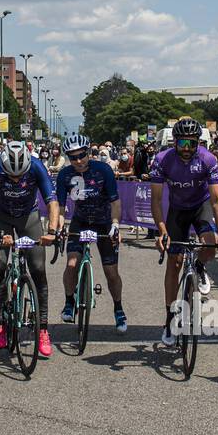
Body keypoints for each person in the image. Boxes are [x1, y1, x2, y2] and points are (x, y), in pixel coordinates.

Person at [149, 118, 218, 346]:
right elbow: (155, 200)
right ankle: (170, 317)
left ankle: (200, 266)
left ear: (198, 143)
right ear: (174, 142)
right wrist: (161, 230)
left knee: (210, 246)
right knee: (174, 262)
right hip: (177, 210)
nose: (186, 149)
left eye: (192, 144)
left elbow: (216, 199)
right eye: (182, 143)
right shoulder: (162, 160)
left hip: (200, 206)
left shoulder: (208, 159)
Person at [0, 141, 58, 357]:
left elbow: (52, 202)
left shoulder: (36, 166)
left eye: (20, 175)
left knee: (38, 268)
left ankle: (42, 329)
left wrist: (52, 230)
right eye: (11, 176)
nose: (16, 180)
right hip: (1, 217)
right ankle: (0, 323)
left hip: (28, 216)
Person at [53, 133, 126, 333]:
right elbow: (60, 206)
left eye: (81, 155)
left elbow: (115, 201)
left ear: (89, 153)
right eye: (73, 157)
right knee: (71, 264)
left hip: (103, 223)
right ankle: (69, 301)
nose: (78, 161)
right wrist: (59, 227)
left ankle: (118, 308)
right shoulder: (64, 175)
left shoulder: (103, 170)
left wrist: (115, 223)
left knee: (111, 272)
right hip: (81, 221)